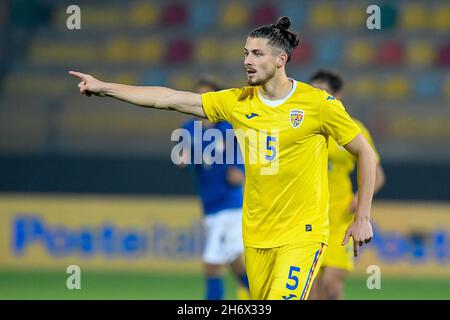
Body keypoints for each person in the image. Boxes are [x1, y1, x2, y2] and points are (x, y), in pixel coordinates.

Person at [69, 16, 377, 300]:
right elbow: (169, 99)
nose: (247, 61)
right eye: (245, 53)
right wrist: (105, 87)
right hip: (256, 235)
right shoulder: (238, 102)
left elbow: (365, 153)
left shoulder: (317, 104)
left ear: (281, 59)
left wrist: (361, 218)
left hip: (303, 234)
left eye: (257, 54)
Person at [308, 70, 385, 300]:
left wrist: (358, 199)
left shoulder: (353, 128)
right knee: (310, 291)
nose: (317, 97)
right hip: (308, 217)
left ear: (337, 96)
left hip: (340, 217)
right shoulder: (303, 126)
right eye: (313, 92)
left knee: (331, 286)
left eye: (323, 92)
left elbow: (377, 174)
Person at [177, 77, 249, 300]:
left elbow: (244, 156)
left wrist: (239, 170)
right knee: (236, 264)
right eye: (198, 96)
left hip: (230, 204)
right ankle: (262, 295)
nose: (201, 102)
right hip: (210, 204)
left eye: (206, 97)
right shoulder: (189, 129)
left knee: (211, 265)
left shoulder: (229, 127)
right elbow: (188, 161)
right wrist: (186, 160)